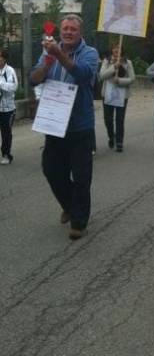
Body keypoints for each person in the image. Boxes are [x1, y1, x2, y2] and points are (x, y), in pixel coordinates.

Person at [30, 14, 99, 240]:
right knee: (52, 170)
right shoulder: (48, 52)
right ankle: (69, 205)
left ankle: (79, 222)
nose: (68, 32)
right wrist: (47, 63)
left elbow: (82, 75)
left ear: (80, 33)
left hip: (80, 126)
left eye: (73, 29)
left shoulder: (90, 53)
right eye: (65, 28)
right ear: (60, 31)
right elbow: (34, 78)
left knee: (81, 176)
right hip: (55, 124)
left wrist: (58, 55)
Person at [99, 44, 135, 152]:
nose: (116, 52)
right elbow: (102, 76)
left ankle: (119, 142)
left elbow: (132, 79)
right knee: (108, 119)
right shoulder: (106, 61)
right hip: (108, 95)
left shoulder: (128, 63)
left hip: (122, 95)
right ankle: (111, 136)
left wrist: (120, 81)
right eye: (114, 50)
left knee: (120, 119)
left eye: (118, 50)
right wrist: (113, 67)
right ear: (111, 51)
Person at [0, 50, 18, 165]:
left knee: (6, 132)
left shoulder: (10, 71)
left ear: (4, 59)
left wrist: (0, 84)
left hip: (8, 109)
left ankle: (6, 155)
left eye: (0, 58)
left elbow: (14, 87)